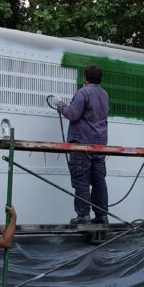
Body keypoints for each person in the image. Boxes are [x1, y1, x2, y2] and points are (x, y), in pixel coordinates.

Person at [56, 64, 110, 226]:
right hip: (100, 145)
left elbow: (73, 114)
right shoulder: (104, 94)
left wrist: (60, 105)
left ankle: (83, 216)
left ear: (85, 77)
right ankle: (102, 216)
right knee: (99, 180)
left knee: (81, 180)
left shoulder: (83, 93)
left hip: (82, 144)